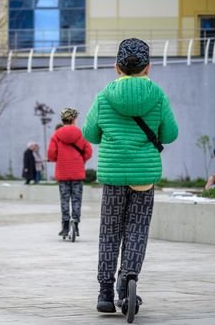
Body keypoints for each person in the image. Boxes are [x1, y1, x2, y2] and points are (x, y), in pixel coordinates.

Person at [82, 38, 179, 313]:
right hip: (144, 176)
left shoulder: (103, 97)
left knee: (109, 232)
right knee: (137, 229)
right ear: (148, 68)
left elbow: (90, 134)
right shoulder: (158, 95)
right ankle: (128, 283)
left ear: (117, 68)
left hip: (113, 176)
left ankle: (104, 292)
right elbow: (170, 134)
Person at [47, 108, 92, 238]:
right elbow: (88, 151)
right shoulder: (81, 133)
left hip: (62, 172)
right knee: (77, 199)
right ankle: (76, 225)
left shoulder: (56, 135)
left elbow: (51, 153)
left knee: (64, 199)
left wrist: (59, 160)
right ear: (74, 119)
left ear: (63, 119)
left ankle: (65, 226)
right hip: (77, 172)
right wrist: (80, 161)